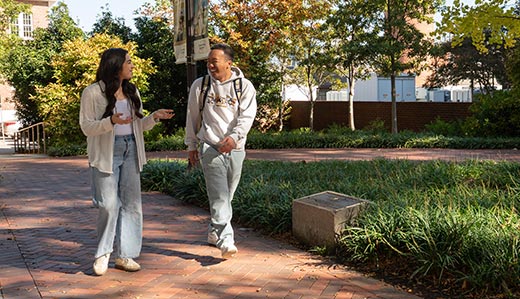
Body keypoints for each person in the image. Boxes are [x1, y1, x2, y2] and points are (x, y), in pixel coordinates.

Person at [79, 48, 174, 276]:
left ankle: (126, 255)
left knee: (132, 205)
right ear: (116, 64)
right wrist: (110, 121)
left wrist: (153, 117)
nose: (132, 66)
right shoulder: (92, 93)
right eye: (129, 62)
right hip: (106, 152)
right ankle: (103, 254)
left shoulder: (133, 91)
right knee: (109, 205)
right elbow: (86, 127)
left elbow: (137, 125)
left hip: (131, 148)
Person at [185, 43, 257, 259]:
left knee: (227, 195)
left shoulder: (244, 86)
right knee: (219, 196)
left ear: (228, 63)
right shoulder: (201, 85)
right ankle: (226, 240)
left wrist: (234, 139)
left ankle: (214, 232)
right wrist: (191, 146)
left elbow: (247, 117)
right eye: (208, 61)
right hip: (210, 145)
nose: (210, 65)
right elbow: (192, 118)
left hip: (236, 148)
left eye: (214, 61)